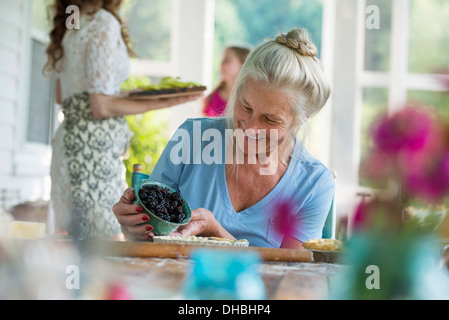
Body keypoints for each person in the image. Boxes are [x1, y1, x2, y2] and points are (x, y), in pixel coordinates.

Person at [113, 28, 334, 248]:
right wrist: (134, 228)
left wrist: (217, 233)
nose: (251, 128)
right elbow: (150, 239)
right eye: (245, 106)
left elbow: (290, 276)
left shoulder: (314, 183)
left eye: (270, 119)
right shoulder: (192, 137)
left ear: (304, 117)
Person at [44, 0, 202, 239]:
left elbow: (64, 96)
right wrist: (163, 102)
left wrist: (133, 96)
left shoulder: (71, 23)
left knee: (76, 244)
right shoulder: (102, 22)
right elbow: (100, 106)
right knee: (105, 246)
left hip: (67, 144)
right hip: (93, 151)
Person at [202, 46, 251, 117]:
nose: (221, 64)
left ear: (243, 65)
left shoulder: (251, 100)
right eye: (222, 61)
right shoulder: (210, 99)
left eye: (226, 60)